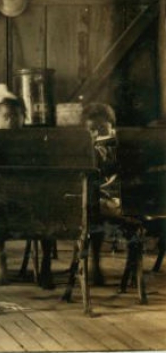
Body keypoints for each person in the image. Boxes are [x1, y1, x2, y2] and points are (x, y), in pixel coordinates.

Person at [0, 84, 27, 284]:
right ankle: (0, 259)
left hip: (30, 195)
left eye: (15, 116)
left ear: (24, 117)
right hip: (4, 197)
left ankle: (45, 262)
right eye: (5, 116)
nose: (11, 120)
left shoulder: (35, 139)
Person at [83, 102, 120, 286]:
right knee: (92, 207)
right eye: (91, 130)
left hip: (118, 196)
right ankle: (94, 261)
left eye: (102, 128)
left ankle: (95, 262)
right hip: (96, 197)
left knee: (95, 209)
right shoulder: (85, 147)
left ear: (112, 127)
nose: (97, 134)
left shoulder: (120, 144)